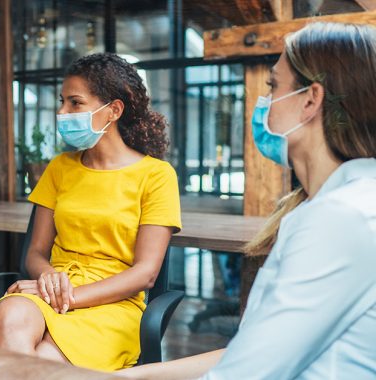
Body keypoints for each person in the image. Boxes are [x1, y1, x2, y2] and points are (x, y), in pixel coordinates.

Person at [120, 22, 376, 379]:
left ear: (310, 100)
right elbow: (251, 352)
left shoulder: (341, 219)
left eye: (272, 86)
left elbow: (243, 374)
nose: (264, 101)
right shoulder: (324, 206)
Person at [0, 53, 182, 371]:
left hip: (113, 305)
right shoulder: (60, 168)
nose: (62, 112)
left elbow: (146, 273)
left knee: (41, 361)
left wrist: (68, 296)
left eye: (75, 103)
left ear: (113, 110)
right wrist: (49, 281)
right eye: (62, 101)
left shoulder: (157, 175)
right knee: (9, 315)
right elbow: (35, 252)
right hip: (52, 289)